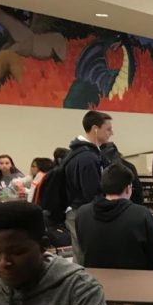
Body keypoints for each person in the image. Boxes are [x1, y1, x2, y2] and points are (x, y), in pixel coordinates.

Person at [76, 164, 153, 271]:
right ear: (128, 189)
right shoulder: (141, 214)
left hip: (95, 281)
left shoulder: (83, 213)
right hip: (137, 281)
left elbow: (82, 248)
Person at [64, 110, 114, 263]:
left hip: (80, 211)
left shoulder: (84, 152)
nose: (112, 133)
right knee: (85, 256)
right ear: (95, 129)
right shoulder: (87, 157)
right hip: (82, 212)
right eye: (108, 129)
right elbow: (91, 193)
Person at [100, 141, 144, 206]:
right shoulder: (130, 166)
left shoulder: (101, 167)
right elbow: (138, 191)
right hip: (129, 205)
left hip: (106, 206)